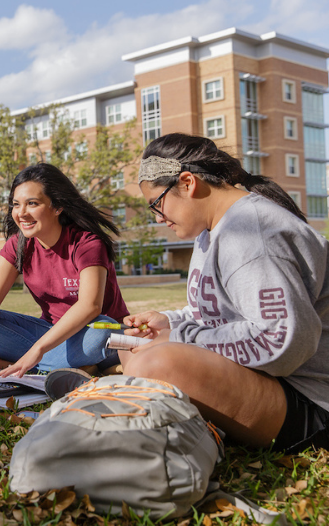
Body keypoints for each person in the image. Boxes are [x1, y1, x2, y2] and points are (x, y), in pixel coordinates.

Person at [120, 132, 329, 453]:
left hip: (310, 400)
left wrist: (181, 337)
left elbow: (285, 343)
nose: (159, 218)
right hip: (270, 378)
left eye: (156, 204)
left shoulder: (251, 235)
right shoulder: (212, 230)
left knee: (157, 364)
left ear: (187, 183)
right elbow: (219, 313)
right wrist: (170, 322)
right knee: (134, 346)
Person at [0, 163, 129, 384]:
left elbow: (90, 306)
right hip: (51, 332)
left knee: (101, 334)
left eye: (32, 203)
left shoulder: (87, 243)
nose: (21, 213)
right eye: (16, 204)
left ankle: (23, 362)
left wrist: (37, 350)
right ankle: (72, 365)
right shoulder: (18, 244)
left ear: (57, 206)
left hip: (95, 331)